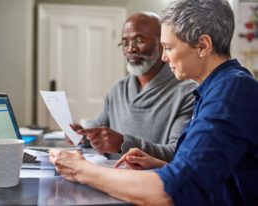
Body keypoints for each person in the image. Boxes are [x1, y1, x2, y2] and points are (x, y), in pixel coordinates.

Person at [50, 0, 258, 205]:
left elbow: (174, 191)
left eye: (168, 47)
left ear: (203, 46)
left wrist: (81, 170)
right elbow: (207, 171)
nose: (165, 57)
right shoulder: (216, 88)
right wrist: (160, 165)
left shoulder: (230, 92)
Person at [70, 12, 197, 162]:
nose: (130, 49)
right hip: (109, 176)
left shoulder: (187, 93)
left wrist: (123, 143)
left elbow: (177, 152)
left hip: (150, 182)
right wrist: (82, 135)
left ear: (162, 43)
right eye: (125, 43)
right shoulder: (117, 90)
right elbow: (98, 131)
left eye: (139, 40)